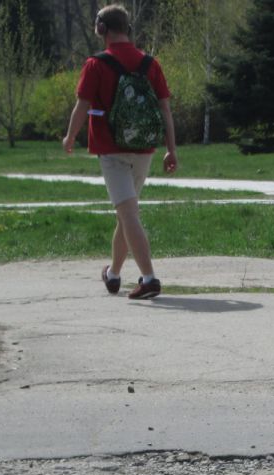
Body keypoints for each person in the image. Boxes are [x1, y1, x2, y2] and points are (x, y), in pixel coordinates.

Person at [63, 4, 177, 300]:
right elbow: (165, 108)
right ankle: (113, 274)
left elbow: (82, 106)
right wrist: (171, 150)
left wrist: (70, 136)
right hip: (144, 148)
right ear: (127, 28)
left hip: (111, 150)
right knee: (127, 215)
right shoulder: (151, 64)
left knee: (128, 214)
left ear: (102, 29)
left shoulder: (96, 64)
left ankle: (149, 278)